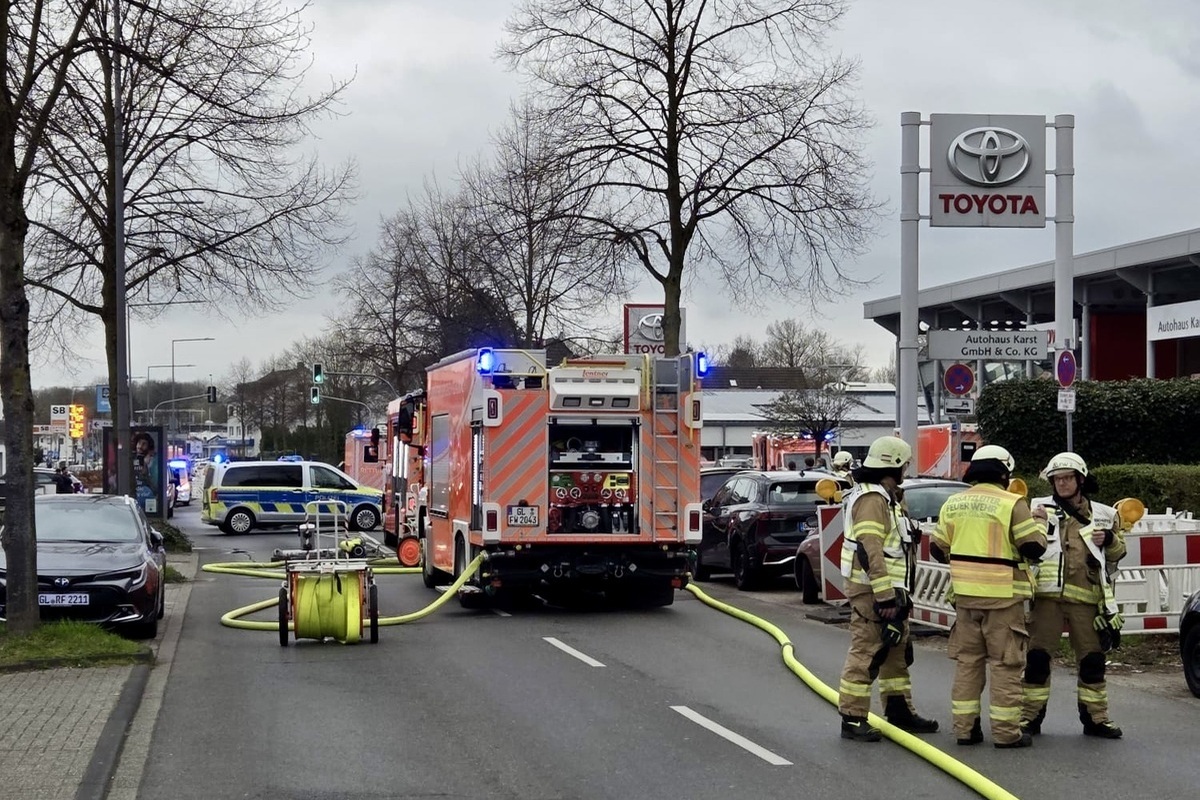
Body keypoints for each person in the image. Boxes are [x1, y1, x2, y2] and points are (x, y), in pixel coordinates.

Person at [930, 445, 1047, 749]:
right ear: (1004, 473)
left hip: (966, 600)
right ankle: (1007, 734)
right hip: (1003, 599)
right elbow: (1034, 547)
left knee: (968, 663)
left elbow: (937, 548)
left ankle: (965, 730)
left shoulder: (953, 503)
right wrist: (1041, 524)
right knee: (1005, 665)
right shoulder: (1012, 503)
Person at [836, 435, 938, 742]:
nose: (907, 469)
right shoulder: (872, 500)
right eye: (905, 465)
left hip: (891, 590)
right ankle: (853, 718)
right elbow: (870, 550)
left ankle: (899, 711)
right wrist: (885, 598)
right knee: (867, 651)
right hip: (875, 592)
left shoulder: (887, 497)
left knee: (896, 652)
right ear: (894, 465)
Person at [1021, 452, 1126, 739]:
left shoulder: (1104, 515)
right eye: (1057, 479)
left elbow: (1118, 556)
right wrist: (1035, 523)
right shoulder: (1036, 508)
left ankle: (1096, 719)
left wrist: (1112, 540)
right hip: (1047, 599)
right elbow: (1025, 547)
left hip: (1087, 600)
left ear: (1080, 480)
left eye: (1068, 478)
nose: (1062, 483)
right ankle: (1029, 718)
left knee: (1092, 661)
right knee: (1038, 659)